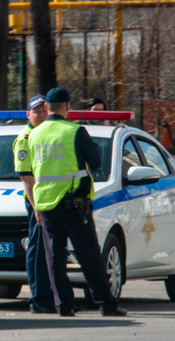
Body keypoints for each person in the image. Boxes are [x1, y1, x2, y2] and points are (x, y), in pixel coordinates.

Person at [28, 88, 127, 317]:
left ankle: (63, 305)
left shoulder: (34, 134)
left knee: (54, 256)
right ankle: (106, 304)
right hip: (74, 203)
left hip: (45, 204)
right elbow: (95, 163)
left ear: (46, 108)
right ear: (68, 108)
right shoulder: (75, 131)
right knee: (89, 254)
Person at [12, 95, 55, 314]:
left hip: (50, 200)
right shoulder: (25, 138)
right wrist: (37, 207)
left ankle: (50, 296)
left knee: (50, 251)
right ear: (28, 115)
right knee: (37, 251)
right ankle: (39, 299)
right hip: (37, 203)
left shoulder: (45, 136)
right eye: (35, 111)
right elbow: (26, 179)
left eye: (43, 110)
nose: (40, 114)